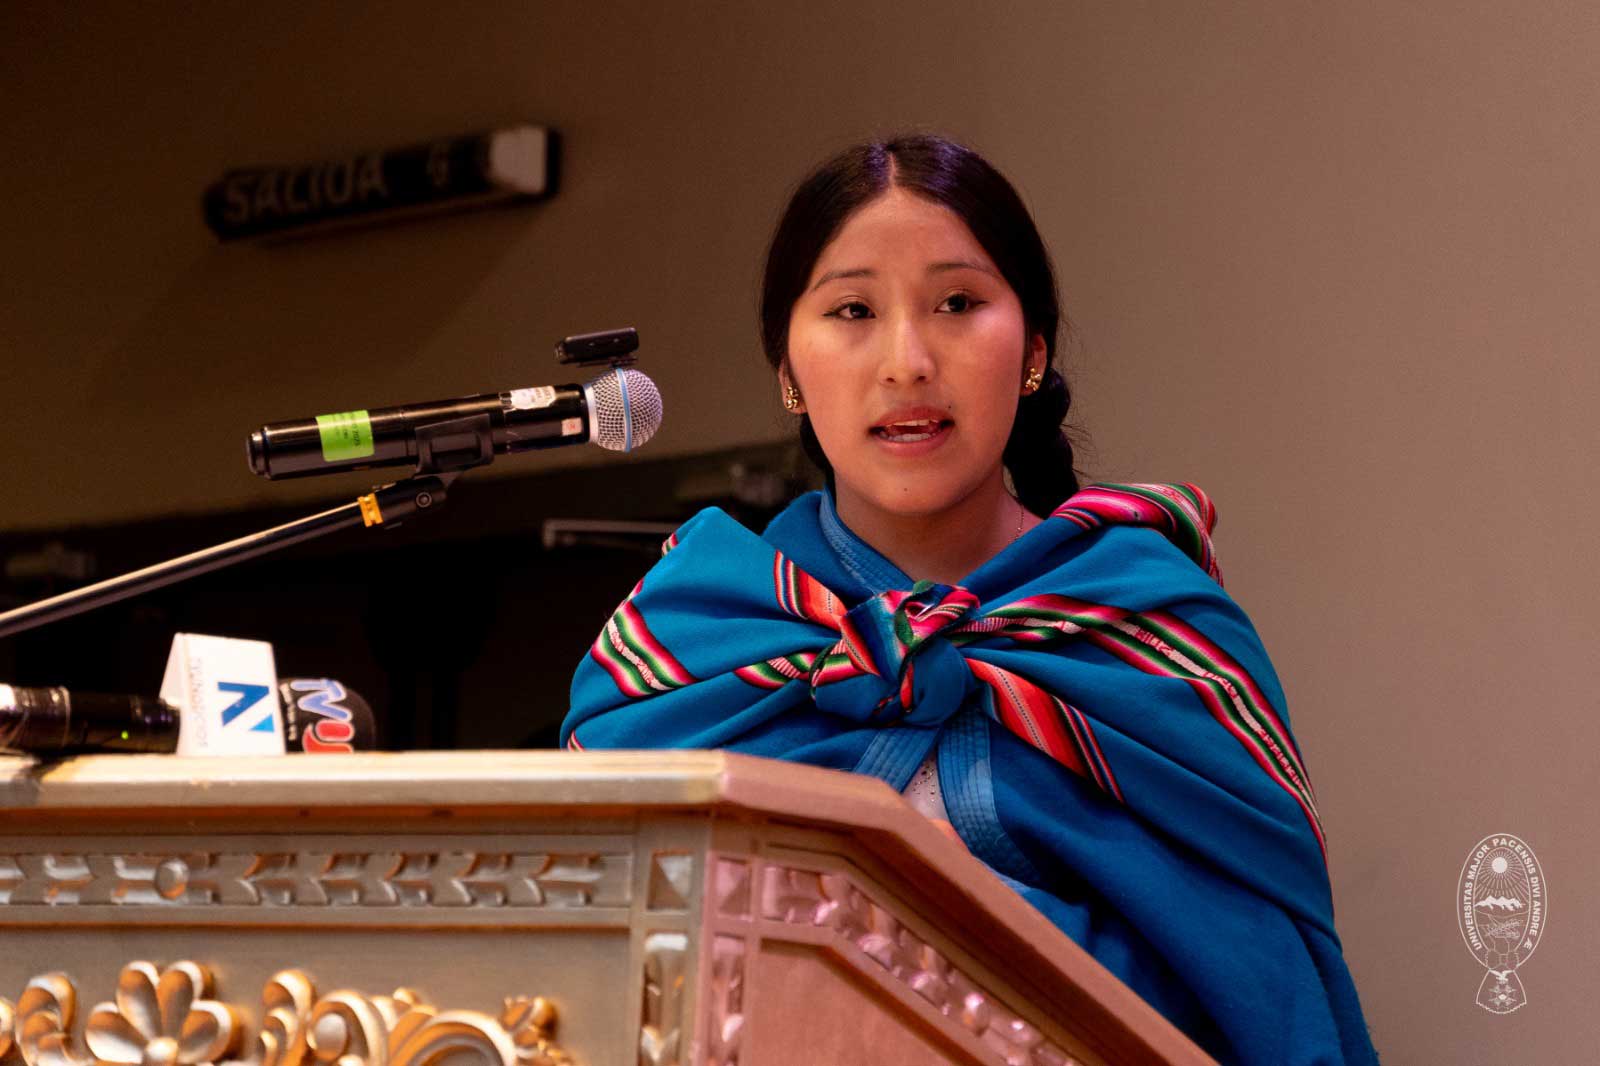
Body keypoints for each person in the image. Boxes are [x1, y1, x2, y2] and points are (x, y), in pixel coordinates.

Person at [562, 134, 1378, 1065]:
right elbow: (593, 981)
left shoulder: (1156, 630)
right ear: (787, 369)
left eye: (957, 303)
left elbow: (1264, 995)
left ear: (1032, 350)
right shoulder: (691, 634)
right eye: (853, 310)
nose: (907, 360)